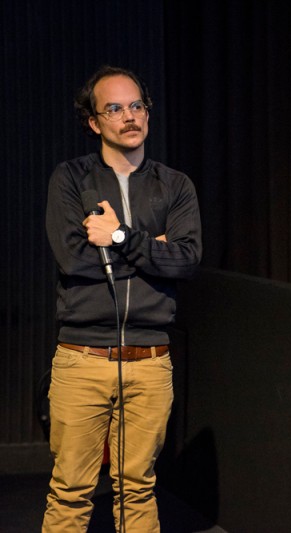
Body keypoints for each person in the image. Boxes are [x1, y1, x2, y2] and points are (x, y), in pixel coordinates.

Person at [42, 66, 202, 531]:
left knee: (138, 487)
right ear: (94, 122)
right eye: (114, 108)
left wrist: (116, 236)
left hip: (151, 360)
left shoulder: (175, 185)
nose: (129, 116)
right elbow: (75, 260)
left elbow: (187, 261)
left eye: (136, 105)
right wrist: (154, 247)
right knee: (71, 489)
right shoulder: (71, 179)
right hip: (82, 357)